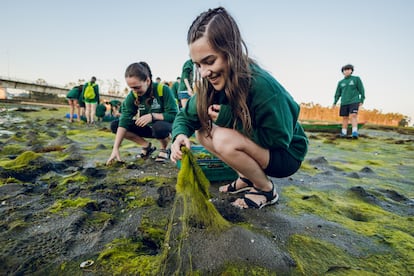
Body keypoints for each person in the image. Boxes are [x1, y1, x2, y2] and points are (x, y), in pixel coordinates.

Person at [170, 7, 308, 209]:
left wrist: (230, 120)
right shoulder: (211, 84)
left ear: (231, 50)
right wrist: (179, 135)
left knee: (222, 138)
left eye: (210, 61)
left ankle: (266, 190)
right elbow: (186, 115)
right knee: (202, 132)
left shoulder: (264, 87)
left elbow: (279, 139)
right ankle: (247, 177)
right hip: (258, 144)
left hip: (286, 154)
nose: (205, 72)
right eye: (198, 65)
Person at [106, 62, 178, 165]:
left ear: (147, 81)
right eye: (131, 88)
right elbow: (124, 121)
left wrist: (152, 116)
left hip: (166, 127)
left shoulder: (163, 90)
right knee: (115, 125)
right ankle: (147, 146)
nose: (134, 91)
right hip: (148, 128)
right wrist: (115, 148)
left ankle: (164, 148)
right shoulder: (133, 96)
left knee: (158, 127)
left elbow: (174, 116)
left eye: (137, 87)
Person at [332, 64, 365, 139]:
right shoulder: (341, 82)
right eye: (345, 70)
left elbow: (361, 90)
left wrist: (362, 99)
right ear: (343, 72)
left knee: (353, 115)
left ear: (351, 71)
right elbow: (337, 93)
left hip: (354, 101)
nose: (347, 71)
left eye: (348, 69)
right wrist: (334, 102)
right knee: (345, 117)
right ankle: (343, 132)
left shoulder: (356, 79)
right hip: (344, 102)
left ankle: (354, 132)